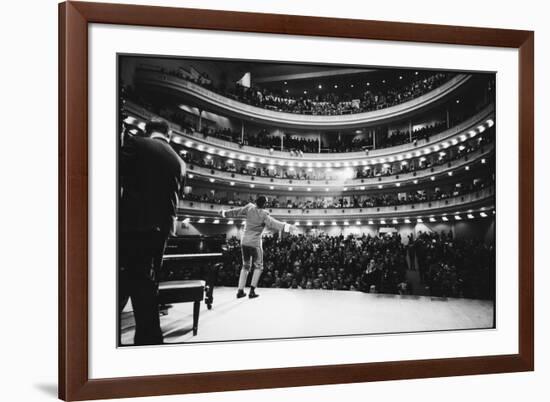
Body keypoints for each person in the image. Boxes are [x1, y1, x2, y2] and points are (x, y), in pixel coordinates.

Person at [119, 119, 186, 345]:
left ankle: (148, 339)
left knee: (133, 281)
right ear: (170, 134)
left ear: (148, 131)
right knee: (144, 281)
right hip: (162, 230)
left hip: (133, 224)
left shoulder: (137, 144)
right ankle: (149, 339)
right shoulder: (180, 161)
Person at [220, 196, 296, 299]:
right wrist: (288, 227)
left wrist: (224, 213)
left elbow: (236, 211)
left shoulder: (249, 207)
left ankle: (240, 291)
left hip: (244, 242)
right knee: (259, 266)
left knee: (245, 266)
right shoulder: (264, 214)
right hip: (255, 243)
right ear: (264, 204)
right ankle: (252, 291)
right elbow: (274, 223)